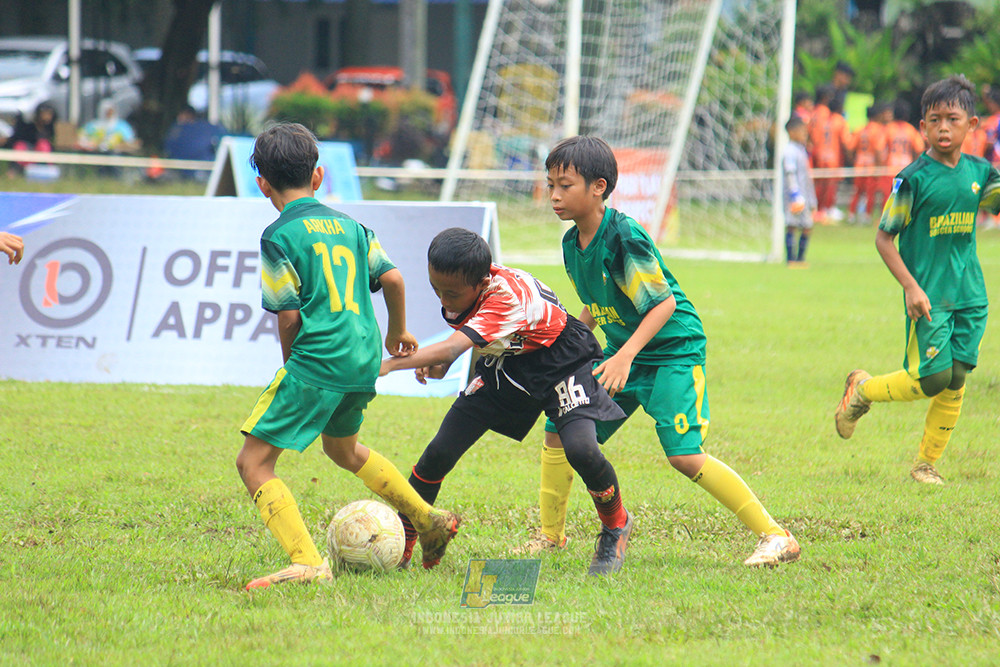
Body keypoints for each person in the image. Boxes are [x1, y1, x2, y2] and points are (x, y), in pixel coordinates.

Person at [530, 135, 801, 568]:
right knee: (559, 427)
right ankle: (550, 537)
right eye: (550, 185)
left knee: (684, 456)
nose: (555, 195)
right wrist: (570, 345)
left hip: (672, 351)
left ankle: (777, 535)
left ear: (598, 187)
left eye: (565, 185)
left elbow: (662, 304)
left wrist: (623, 356)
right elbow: (598, 300)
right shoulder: (571, 244)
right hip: (623, 354)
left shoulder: (624, 236)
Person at [236, 122, 460, 590]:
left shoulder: (278, 237)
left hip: (318, 361)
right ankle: (427, 519)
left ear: (263, 185)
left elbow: (289, 316)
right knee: (343, 448)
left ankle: (307, 562)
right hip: (361, 360)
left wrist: (292, 365)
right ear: (318, 177)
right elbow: (394, 279)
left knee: (253, 463)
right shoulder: (353, 227)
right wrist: (398, 331)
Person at [379, 227, 634, 576]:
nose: (442, 299)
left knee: (581, 450)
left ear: (481, 285)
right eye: (435, 288)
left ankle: (616, 525)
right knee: (440, 450)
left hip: (561, 361)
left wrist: (386, 365)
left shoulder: (504, 299)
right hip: (508, 364)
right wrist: (440, 365)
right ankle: (411, 534)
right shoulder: (464, 282)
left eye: (449, 293)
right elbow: (469, 341)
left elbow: (455, 344)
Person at [835, 75, 1000, 485]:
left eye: (953, 119)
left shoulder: (982, 172)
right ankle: (862, 390)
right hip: (928, 294)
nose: (944, 128)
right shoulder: (913, 180)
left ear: (972, 125)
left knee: (957, 375)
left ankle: (925, 464)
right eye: (934, 120)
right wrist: (911, 285)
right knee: (932, 379)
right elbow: (883, 238)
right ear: (922, 127)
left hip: (970, 293)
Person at [808, 85, 850, 223]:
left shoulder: (814, 113)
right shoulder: (836, 119)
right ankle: (826, 209)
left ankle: (818, 209)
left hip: (819, 153)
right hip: (833, 155)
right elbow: (846, 141)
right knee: (830, 184)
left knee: (819, 183)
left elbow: (813, 135)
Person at [847, 103, 889, 224]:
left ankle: (851, 214)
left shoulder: (860, 129)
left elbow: (850, 147)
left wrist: (853, 160)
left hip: (859, 164)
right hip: (871, 166)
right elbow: (878, 150)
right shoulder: (878, 130)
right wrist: (879, 167)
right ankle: (866, 215)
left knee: (857, 191)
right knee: (870, 192)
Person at [783, 115, 817, 264]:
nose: (804, 134)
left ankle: (800, 259)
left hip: (805, 195)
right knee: (792, 225)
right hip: (794, 196)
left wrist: (812, 198)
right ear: (791, 132)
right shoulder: (789, 150)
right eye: (801, 131)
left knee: (807, 225)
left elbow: (807, 178)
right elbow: (789, 173)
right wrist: (794, 194)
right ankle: (791, 259)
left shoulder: (801, 150)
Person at [879, 98, 925, 205]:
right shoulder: (911, 130)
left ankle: (886, 219)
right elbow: (919, 148)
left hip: (890, 168)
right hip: (906, 167)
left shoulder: (888, 129)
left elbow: (880, 148)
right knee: (903, 198)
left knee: (889, 196)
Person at [162, 105, 226, 181]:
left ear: (189, 115)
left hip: (200, 170)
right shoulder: (178, 130)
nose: (179, 119)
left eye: (182, 115)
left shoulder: (193, 130)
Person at [6, 102, 56, 176]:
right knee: (20, 147)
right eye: (45, 113)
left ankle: (47, 171)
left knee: (44, 145)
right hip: (28, 149)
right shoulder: (30, 127)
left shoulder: (50, 128)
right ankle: (14, 171)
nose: (47, 116)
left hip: (41, 152)